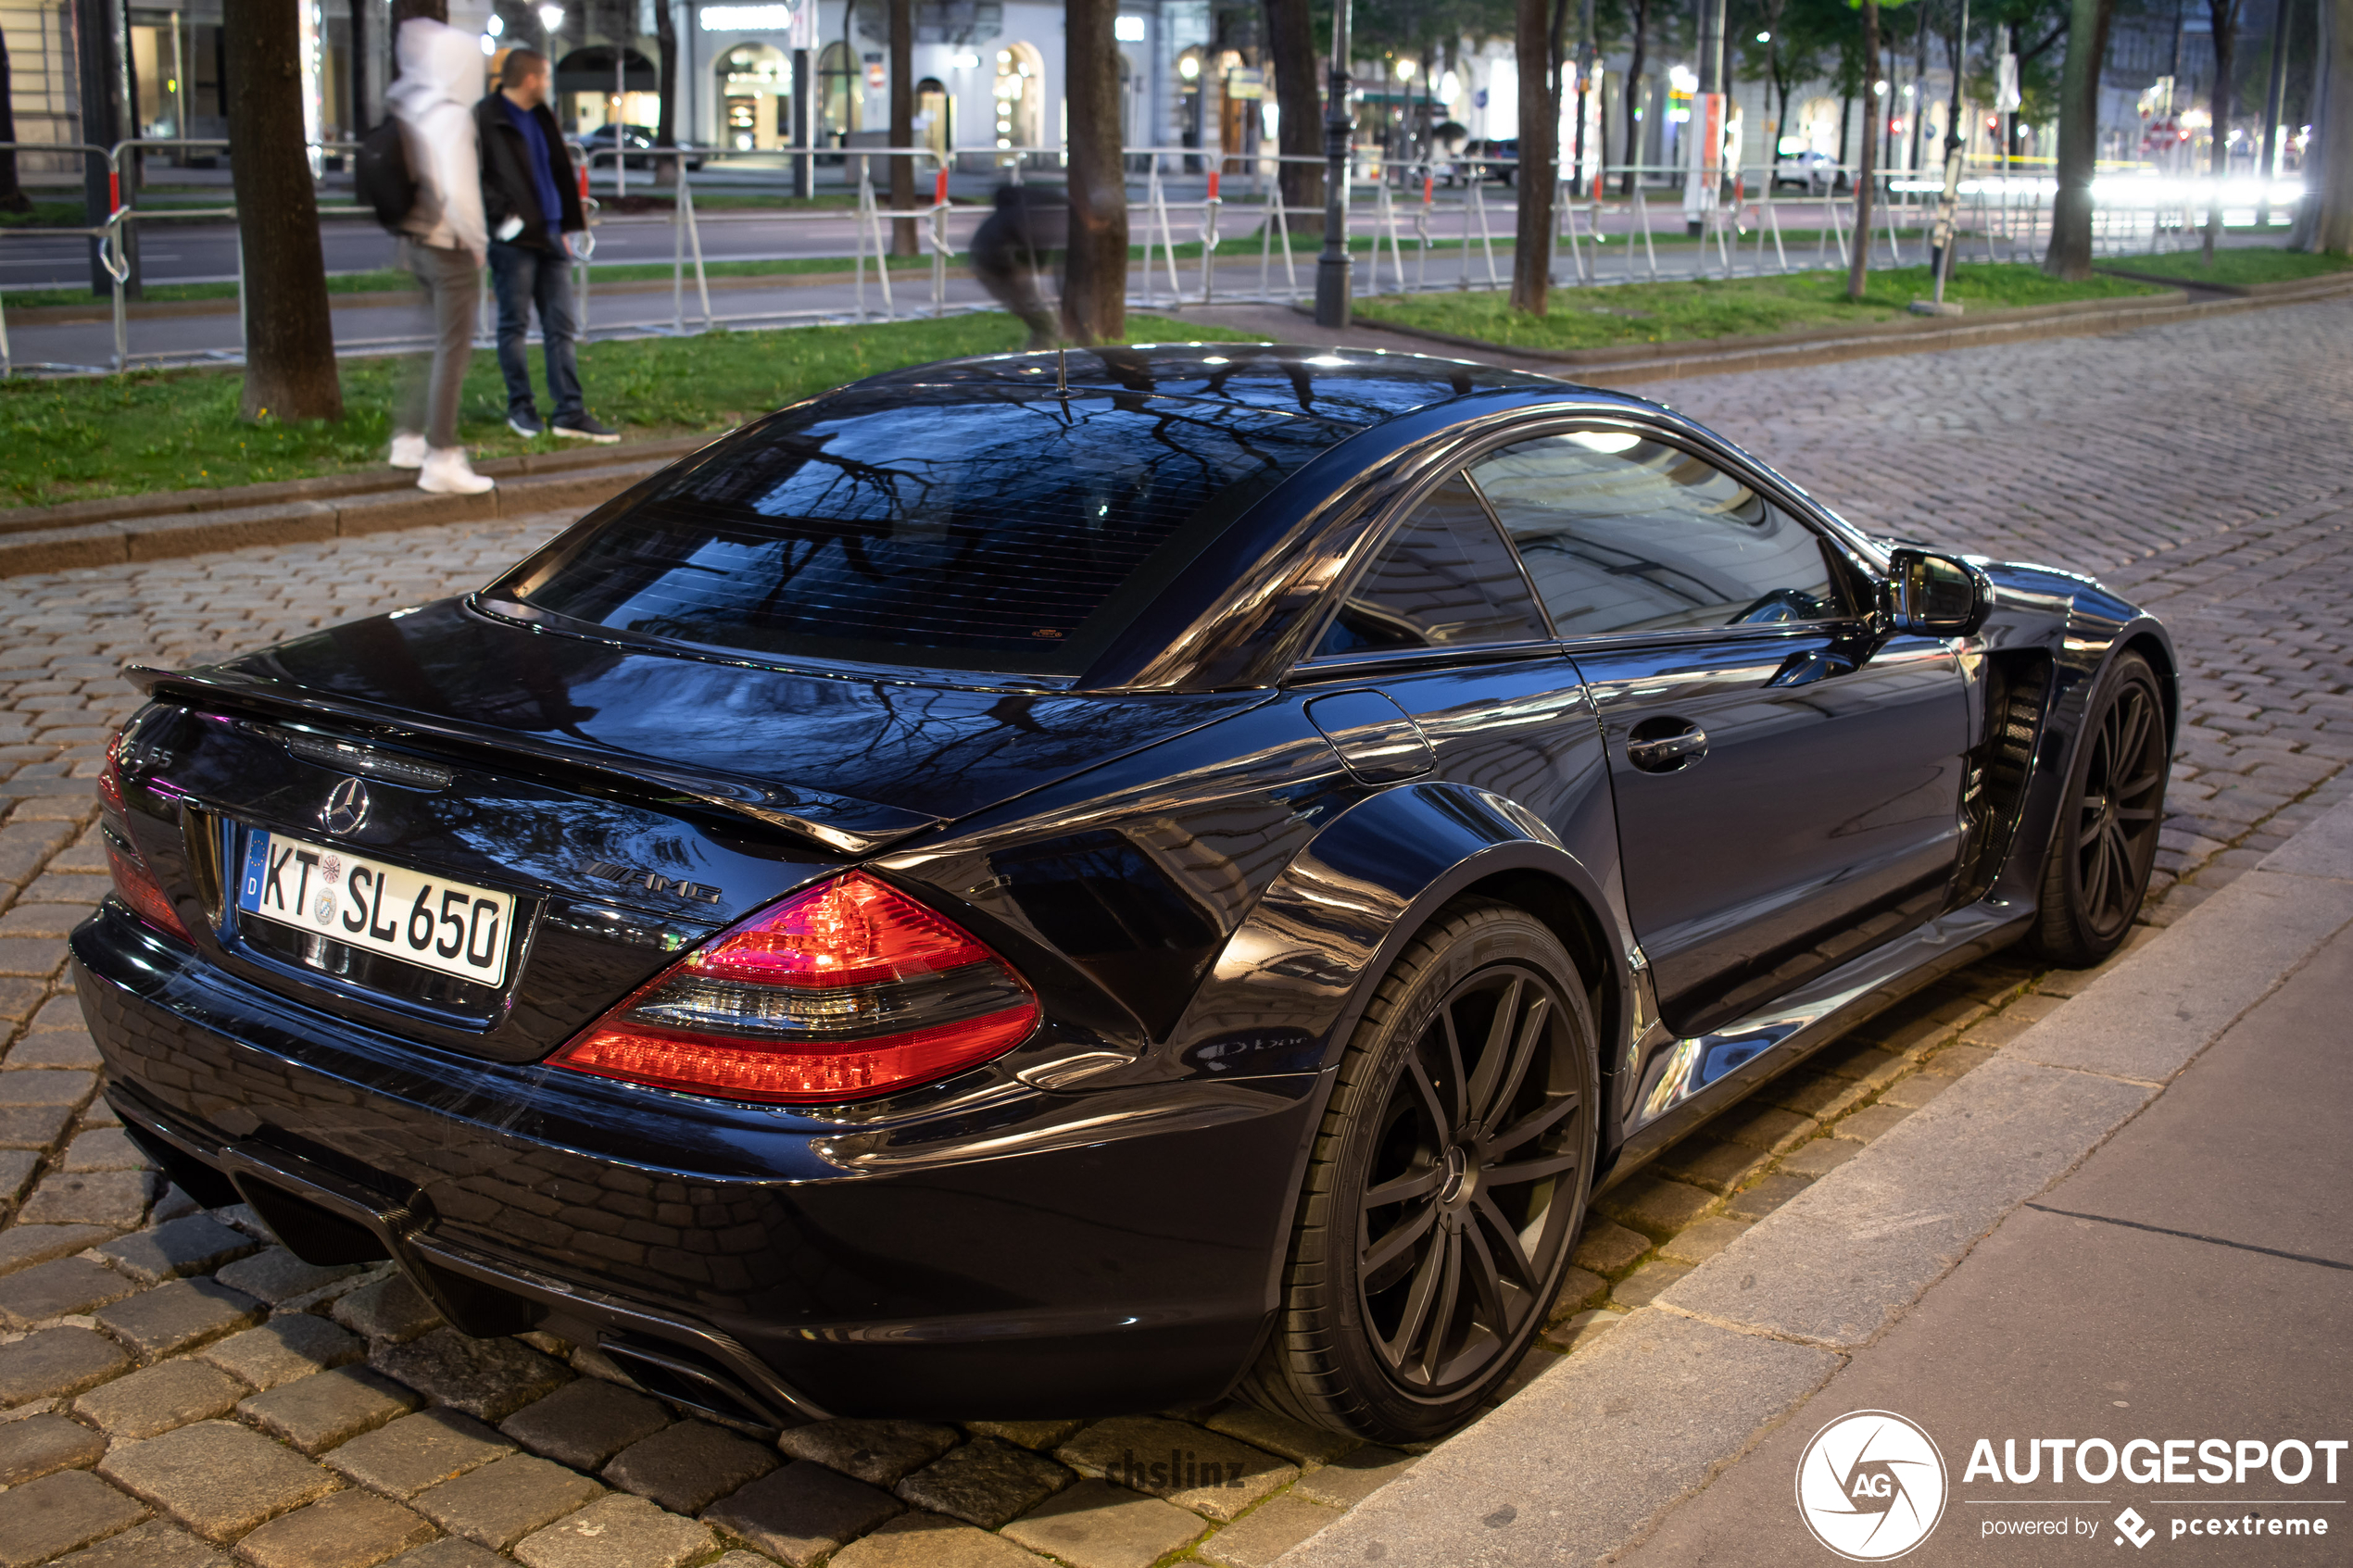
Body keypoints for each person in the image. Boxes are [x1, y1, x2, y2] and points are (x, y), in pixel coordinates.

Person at [475, 50, 617, 443]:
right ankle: (521, 408)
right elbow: (478, 174)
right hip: (516, 237)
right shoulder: (487, 116)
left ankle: (569, 410)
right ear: (530, 79)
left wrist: (570, 220)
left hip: (552, 233)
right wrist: (505, 219)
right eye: (545, 77)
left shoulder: (541, 115)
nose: (548, 84)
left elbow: (554, 167)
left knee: (561, 326)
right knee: (514, 324)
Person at [385, 18, 494, 495]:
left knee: (428, 349)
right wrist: (479, 242)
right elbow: (460, 193)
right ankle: (441, 456)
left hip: (416, 239)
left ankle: (408, 438)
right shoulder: (451, 115)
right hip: (449, 244)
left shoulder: (413, 103)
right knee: (453, 351)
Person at [969, 184, 1068, 350]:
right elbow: (1056, 266)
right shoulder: (1042, 215)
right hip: (999, 263)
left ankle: (1038, 355)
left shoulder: (1039, 210)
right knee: (1044, 322)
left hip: (989, 259)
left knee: (1042, 318)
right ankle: (1039, 361)